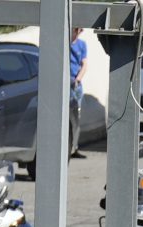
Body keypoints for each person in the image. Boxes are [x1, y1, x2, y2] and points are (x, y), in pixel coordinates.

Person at [68, 28, 86, 158]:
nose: (77, 32)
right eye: (76, 30)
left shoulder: (82, 45)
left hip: (75, 84)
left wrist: (77, 79)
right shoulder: (64, 44)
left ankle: (74, 147)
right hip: (65, 83)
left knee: (76, 117)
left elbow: (84, 64)